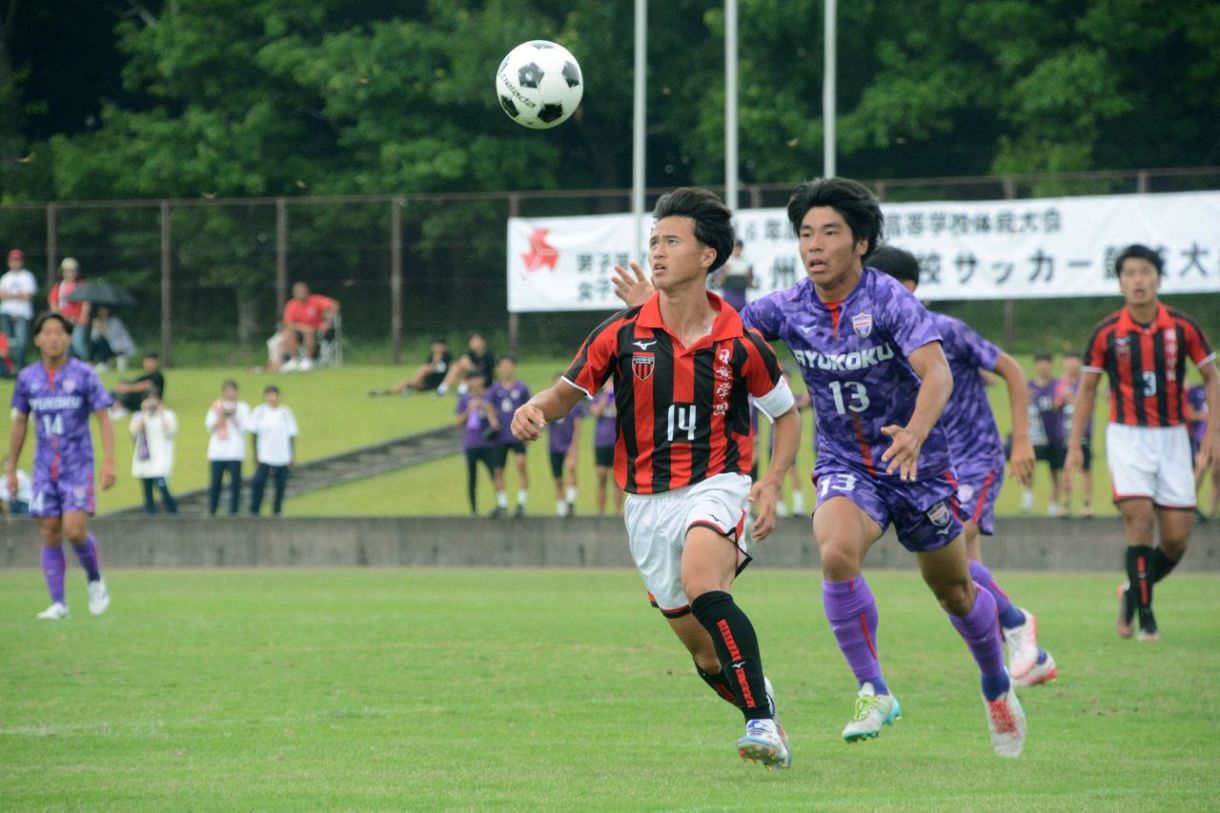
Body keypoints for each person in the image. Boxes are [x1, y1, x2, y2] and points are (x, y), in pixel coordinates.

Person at [613, 177, 1026, 758]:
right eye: (806, 233)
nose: (815, 245)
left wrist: (914, 432)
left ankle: (996, 683)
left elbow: (938, 374)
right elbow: (710, 329)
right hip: (844, 463)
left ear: (860, 243)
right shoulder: (785, 307)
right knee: (833, 550)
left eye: (830, 232)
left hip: (918, 465)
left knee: (954, 590)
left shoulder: (889, 300)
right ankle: (874, 688)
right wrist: (648, 312)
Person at [514, 187, 801, 769]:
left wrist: (769, 482)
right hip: (644, 503)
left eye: (672, 241)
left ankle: (761, 724)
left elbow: (787, 414)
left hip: (717, 484)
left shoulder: (741, 342)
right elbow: (566, 394)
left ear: (708, 257)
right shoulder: (620, 334)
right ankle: (759, 699)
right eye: (653, 241)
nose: (658, 251)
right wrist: (537, 409)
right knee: (705, 656)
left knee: (704, 583)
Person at [870, 245, 1056, 687]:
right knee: (955, 581)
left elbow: (1010, 368)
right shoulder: (877, 341)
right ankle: (1028, 659)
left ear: (907, 288)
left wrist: (1022, 439)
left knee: (952, 542)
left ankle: (1016, 623)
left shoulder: (946, 330)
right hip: (930, 465)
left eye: (878, 283)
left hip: (974, 457)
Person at [1065, 243, 1219, 642]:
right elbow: (1087, 390)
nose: (1138, 280)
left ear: (1158, 279)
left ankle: (1132, 590)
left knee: (1177, 539)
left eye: (1145, 272)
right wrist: (1075, 445)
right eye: (1130, 273)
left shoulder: (1183, 328)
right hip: (1127, 436)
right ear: (1120, 282)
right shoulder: (1106, 332)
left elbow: (1212, 377)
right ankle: (1146, 619)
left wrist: (1212, 438)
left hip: (1174, 438)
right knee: (1139, 521)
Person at [6, 312, 116, 619]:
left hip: (77, 465)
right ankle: (59, 603)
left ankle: (95, 579)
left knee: (75, 529)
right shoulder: (28, 378)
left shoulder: (83, 374)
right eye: (47, 332)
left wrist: (109, 461)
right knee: (50, 530)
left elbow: (104, 417)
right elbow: (20, 422)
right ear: (37, 339)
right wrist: (12, 467)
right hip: (43, 467)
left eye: (59, 332)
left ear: (68, 338)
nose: (53, 338)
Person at [1023, 353, 1067, 516]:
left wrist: (1062, 396)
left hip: (1054, 434)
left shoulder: (1058, 385)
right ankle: (1028, 498)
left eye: (1046, 363)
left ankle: (1053, 506)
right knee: (1029, 468)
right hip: (1034, 436)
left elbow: (1058, 405)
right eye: (1040, 362)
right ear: (1035, 365)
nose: (1043, 366)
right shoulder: (1028, 386)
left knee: (1055, 471)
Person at [488, 355, 531, 518]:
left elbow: (530, 408)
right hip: (500, 436)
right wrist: (492, 419)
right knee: (498, 470)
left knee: (521, 465)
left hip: (518, 434)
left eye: (508, 365)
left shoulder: (521, 388)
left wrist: (528, 429)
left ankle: (521, 502)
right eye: (503, 366)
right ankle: (502, 504)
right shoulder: (495, 389)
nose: (506, 369)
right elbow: (489, 405)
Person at [249, 385, 298, 517]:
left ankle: (277, 511)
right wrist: (256, 454)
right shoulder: (259, 412)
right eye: (269, 395)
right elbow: (254, 434)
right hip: (265, 455)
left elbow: (291, 435)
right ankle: (255, 511)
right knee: (258, 483)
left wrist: (291, 455)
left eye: (274, 395)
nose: (272, 398)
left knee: (280, 486)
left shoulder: (285, 413)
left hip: (282, 456)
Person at [457, 369, 500, 515]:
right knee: (472, 478)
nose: (474, 383)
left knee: (495, 474)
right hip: (471, 443)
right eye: (471, 380)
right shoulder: (464, 400)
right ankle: (473, 509)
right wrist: (470, 409)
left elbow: (495, 422)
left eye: (476, 379)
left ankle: (501, 504)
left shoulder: (489, 397)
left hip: (487, 443)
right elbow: (458, 422)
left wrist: (484, 406)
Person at [129, 389, 178, 515]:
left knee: (162, 487)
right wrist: (144, 413)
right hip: (144, 462)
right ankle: (151, 515)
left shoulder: (167, 415)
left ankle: (174, 513)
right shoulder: (139, 416)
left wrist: (161, 415)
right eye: (148, 399)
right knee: (147, 492)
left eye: (154, 399)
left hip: (160, 461)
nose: (152, 402)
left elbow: (171, 432)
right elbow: (134, 432)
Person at [205, 379, 250, 516]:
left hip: (235, 452)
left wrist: (234, 416)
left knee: (235, 484)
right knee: (215, 483)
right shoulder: (217, 406)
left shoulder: (243, 407)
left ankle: (234, 511)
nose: (230, 393)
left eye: (233, 390)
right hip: (218, 452)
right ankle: (212, 510)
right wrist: (222, 415)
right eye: (228, 390)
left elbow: (245, 428)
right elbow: (210, 426)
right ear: (224, 392)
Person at [1059, 352, 1094, 517]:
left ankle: (1086, 503)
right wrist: (1061, 397)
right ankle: (1066, 503)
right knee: (1066, 469)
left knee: (1084, 468)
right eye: (1068, 360)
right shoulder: (1061, 383)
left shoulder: (1085, 383)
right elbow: (1054, 405)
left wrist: (1073, 398)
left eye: (1073, 360)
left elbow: (1091, 405)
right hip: (1065, 432)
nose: (1070, 364)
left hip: (1083, 433)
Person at [545, 373, 584, 516]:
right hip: (554, 446)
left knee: (571, 469)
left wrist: (574, 447)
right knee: (558, 479)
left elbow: (578, 427)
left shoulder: (575, 404)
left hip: (568, 445)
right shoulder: (549, 405)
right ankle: (561, 511)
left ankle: (571, 502)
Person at [280, 282, 339, 371]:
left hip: (318, 331)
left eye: (303, 291)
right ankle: (294, 360)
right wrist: (303, 327)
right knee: (288, 332)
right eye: (299, 291)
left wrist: (328, 322)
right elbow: (288, 323)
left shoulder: (316, 300)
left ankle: (308, 360)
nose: (302, 293)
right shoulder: (291, 304)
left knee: (308, 331)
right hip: (299, 331)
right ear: (294, 293)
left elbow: (334, 305)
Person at [370, 336, 452, 396]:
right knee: (408, 380)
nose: (436, 348)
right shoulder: (431, 356)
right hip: (426, 383)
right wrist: (434, 361)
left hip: (437, 384)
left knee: (424, 370)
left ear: (444, 346)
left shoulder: (447, 356)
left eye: (439, 345)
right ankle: (388, 392)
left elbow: (450, 371)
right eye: (435, 345)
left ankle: (408, 388)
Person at [1185, 378, 1220, 518]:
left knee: (1217, 472)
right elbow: (1189, 413)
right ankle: (1189, 505)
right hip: (1201, 436)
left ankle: (1212, 511)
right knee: (1201, 467)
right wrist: (1202, 416)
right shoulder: (1195, 390)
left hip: (1217, 436)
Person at [47, 257, 92, 359]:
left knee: (78, 343)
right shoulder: (59, 286)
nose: (69, 274)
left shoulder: (82, 285)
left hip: (79, 320)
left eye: (72, 271)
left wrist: (82, 317)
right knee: (66, 346)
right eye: (67, 271)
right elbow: (53, 303)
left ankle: (86, 363)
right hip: (64, 321)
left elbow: (86, 302)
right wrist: (61, 318)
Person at [0, 248, 37, 369]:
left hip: (22, 313)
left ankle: (21, 366)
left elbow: (28, 295)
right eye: (13, 260)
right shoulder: (5, 277)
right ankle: (12, 366)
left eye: (18, 260)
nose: (15, 263)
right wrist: (18, 295)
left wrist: (9, 295)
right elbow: (1, 295)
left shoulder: (27, 276)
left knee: (21, 342)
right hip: (6, 313)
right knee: (9, 342)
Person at [589, 381, 621, 514]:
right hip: (601, 442)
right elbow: (596, 412)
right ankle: (601, 512)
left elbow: (617, 414)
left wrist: (613, 398)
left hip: (615, 442)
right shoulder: (597, 397)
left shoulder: (618, 397)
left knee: (617, 479)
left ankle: (617, 512)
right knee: (601, 476)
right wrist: (605, 397)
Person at [435, 332, 496, 396]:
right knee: (456, 366)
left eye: (475, 341)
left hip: (483, 382)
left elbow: (490, 375)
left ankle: (461, 389)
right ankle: (442, 389)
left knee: (465, 362)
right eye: (471, 341)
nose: (473, 344)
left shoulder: (488, 356)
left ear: (483, 342)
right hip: (472, 378)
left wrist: (470, 366)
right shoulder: (471, 354)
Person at [711, 239, 755, 312]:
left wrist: (748, 275)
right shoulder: (726, 262)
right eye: (736, 248)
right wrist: (725, 272)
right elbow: (717, 281)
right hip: (729, 298)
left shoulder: (746, 262)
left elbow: (751, 283)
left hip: (741, 299)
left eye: (740, 248)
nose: (738, 250)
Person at [89, 305, 136, 370]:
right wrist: (96, 327)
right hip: (105, 345)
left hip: (118, 345)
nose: (102, 313)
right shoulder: (97, 321)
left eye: (104, 311)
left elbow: (111, 336)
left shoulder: (115, 321)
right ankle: (90, 363)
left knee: (101, 342)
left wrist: (101, 327)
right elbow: (94, 337)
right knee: (95, 342)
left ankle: (104, 364)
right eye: (100, 311)